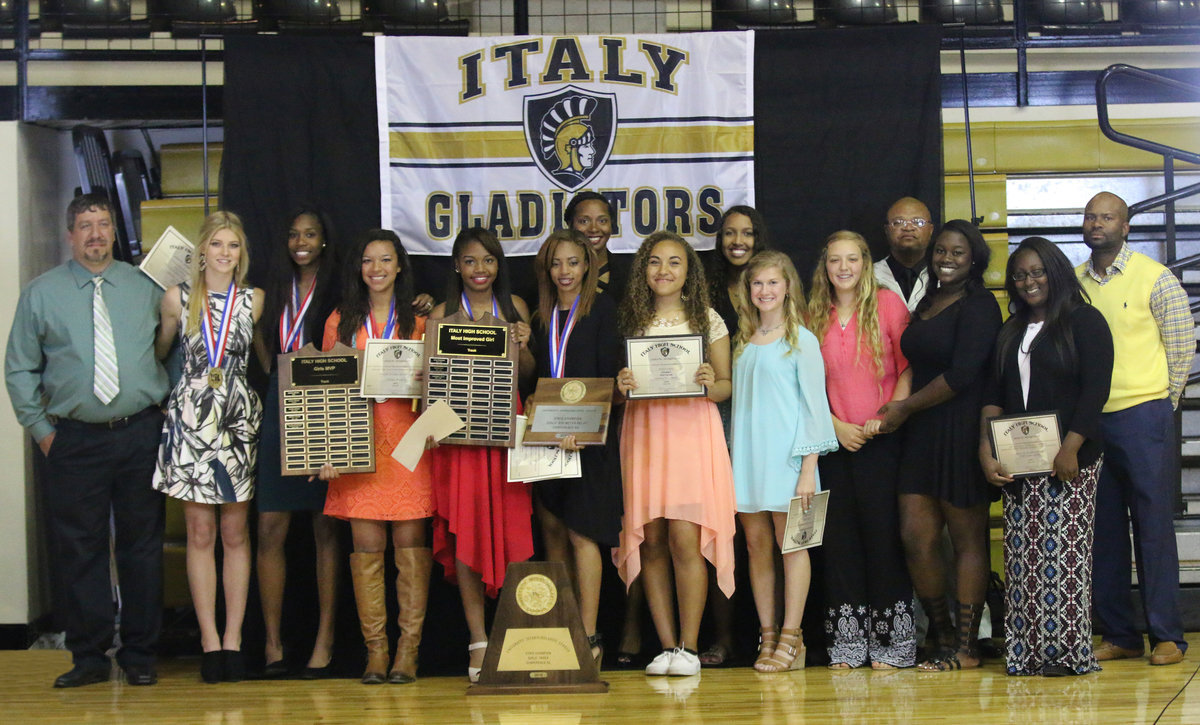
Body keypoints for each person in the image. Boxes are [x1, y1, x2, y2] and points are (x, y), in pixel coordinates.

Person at [5, 193, 168, 688]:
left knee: (141, 548)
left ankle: (139, 652)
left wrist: (166, 411)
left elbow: (176, 347)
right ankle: (90, 656)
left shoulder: (145, 286)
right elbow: (19, 368)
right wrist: (43, 433)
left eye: (103, 224)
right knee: (81, 549)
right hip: (72, 441)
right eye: (85, 226)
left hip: (140, 432)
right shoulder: (40, 294)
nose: (95, 234)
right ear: (69, 234)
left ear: (114, 232)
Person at [980, 237, 1113, 677]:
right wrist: (987, 449)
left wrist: (1071, 447)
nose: (1028, 281)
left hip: (1069, 461)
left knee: (1065, 561)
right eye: (1019, 275)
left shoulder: (1084, 321)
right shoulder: (1012, 329)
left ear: (1055, 271)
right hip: (1020, 464)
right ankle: (1026, 654)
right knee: (1023, 563)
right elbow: (995, 396)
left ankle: (1067, 655)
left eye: (1037, 272)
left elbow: (1095, 391)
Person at [878, 219, 1001, 671]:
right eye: (942, 251)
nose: (946, 259)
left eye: (957, 253)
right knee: (917, 538)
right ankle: (941, 635)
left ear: (974, 260)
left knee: (968, 539)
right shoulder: (928, 300)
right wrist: (904, 408)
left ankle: (967, 647)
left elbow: (964, 375)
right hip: (921, 432)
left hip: (961, 428)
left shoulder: (981, 305)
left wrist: (905, 408)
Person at [1077, 191, 1194, 667]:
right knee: (1101, 531)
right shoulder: (1073, 281)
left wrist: (1159, 404)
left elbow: (1182, 346)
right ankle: (1121, 634)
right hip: (1089, 422)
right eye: (1090, 216)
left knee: (1152, 527)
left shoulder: (1155, 277)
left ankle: (1167, 635)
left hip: (1144, 416)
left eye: (1107, 217)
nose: (1097, 223)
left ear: (1125, 227)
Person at [615, 231, 737, 678]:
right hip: (645, 435)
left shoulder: (708, 320)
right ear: (643, 271)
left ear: (689, 273)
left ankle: (689, 645)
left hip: (691, 435)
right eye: (654, 262)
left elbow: (725, 387)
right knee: (651, 541)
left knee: (687, 538)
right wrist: (621, 387)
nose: (663, 270)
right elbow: (622, 389)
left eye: (674, 262)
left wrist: (710, 381)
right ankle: (665, 647)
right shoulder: (632, 318)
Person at [316, 229, 435, 684]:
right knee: (366, 548)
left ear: (400, 265)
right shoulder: (339, 321)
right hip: (358, 448)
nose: (377, 268)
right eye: (368, 260)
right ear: (358, 269)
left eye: (386, 259)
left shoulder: (421, 321)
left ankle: (408, 652)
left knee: (409, 548)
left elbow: (442, 391)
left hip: (410, 445)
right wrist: (326, 451)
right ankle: (376, 653)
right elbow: (324, 395)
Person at [153, 211, 265, 683]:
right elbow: (159, 352)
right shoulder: (177, 298)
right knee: (200, 534)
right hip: (191, 417)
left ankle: (235, 639)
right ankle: (208, 640)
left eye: (233, 245)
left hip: (236, 419)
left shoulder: (253, 300)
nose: (225, 253)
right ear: (201, 250)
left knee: (235, 533)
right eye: (217, 244)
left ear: (242, 253)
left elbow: (261, 357)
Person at [428, 226, 535, 681]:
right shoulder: (440, 315)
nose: (479, 270)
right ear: (456, 266)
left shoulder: (516, 310)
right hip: (458, 442)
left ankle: (512, 633)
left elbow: (527, 379)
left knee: (512, 532)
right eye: (470, 261)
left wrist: (522, 346)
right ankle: (478, 640)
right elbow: (431, 385)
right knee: (466, 533)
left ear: (499, 265)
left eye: (488, 261)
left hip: (504, 436)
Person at [806, 231, 916, 669]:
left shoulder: (888, 305)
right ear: (825, 266)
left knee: (883, 539)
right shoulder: (814, 312)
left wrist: (888, 415)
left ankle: (892, 645)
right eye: (835, 260)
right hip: (833, 443)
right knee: (840, 544)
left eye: (853, 259)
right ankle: (848, 646)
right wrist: (834, 426)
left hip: (882, 441)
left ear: (866, 263)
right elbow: (807, 384)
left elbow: (909, 368)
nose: (844, 268)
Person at [731, 250, 838, 672]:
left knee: (791, 545)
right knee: (757, 546)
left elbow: (815, 408)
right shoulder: (742, 341)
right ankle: (768, 634)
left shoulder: (802, 339)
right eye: (757, 283)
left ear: (788, 287)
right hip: (748, 460)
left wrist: (809, 469)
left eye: (773, 282)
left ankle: (793, 639)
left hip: (791, 462)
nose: (765, 291)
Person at [253, 207, 341, 679]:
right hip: (279, 400)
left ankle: (324, 641)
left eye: (310, 233)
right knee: (270, 527)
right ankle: (271, 643)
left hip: (325, 402)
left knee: (326, 527)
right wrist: (277, 376)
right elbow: (263, 344)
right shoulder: (271, 287)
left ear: (324, 241)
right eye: (293, 234)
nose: (301, 241)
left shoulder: (337, 288)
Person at [530, 229, 624, 668]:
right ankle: (561, 629)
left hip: (591, 444)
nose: (565, 272)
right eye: (556, 263)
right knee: (552, 534)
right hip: (548, 444)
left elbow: (614, 386)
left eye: (573, 262)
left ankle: (588, 635)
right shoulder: (539, 317)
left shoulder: (604, 312)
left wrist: (585, 427)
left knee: (583, 535)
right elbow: (534, 384)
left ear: (588, 265)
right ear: (546, 270)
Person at [699, 204, 771, 667]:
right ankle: (723, 637)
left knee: (763, 533)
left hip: (764, 418)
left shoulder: (771, 285)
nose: (737, 241)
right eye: (729, 233)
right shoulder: (703, 288)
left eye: (746, 232)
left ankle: (772, 634)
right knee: (721, 529)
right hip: (716, 420)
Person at [566, 191, 631, 299]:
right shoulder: (559, 272)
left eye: (602, 220)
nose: (594, 229)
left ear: (611, 224)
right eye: (584, 221)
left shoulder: (630, 272)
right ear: (570, 224)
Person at [875, 197, 933, 313]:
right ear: (886, 230)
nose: (908, 228)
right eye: (898, 222)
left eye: (918, 222)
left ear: (931, 230)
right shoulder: (868, 276)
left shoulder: (942, 277)